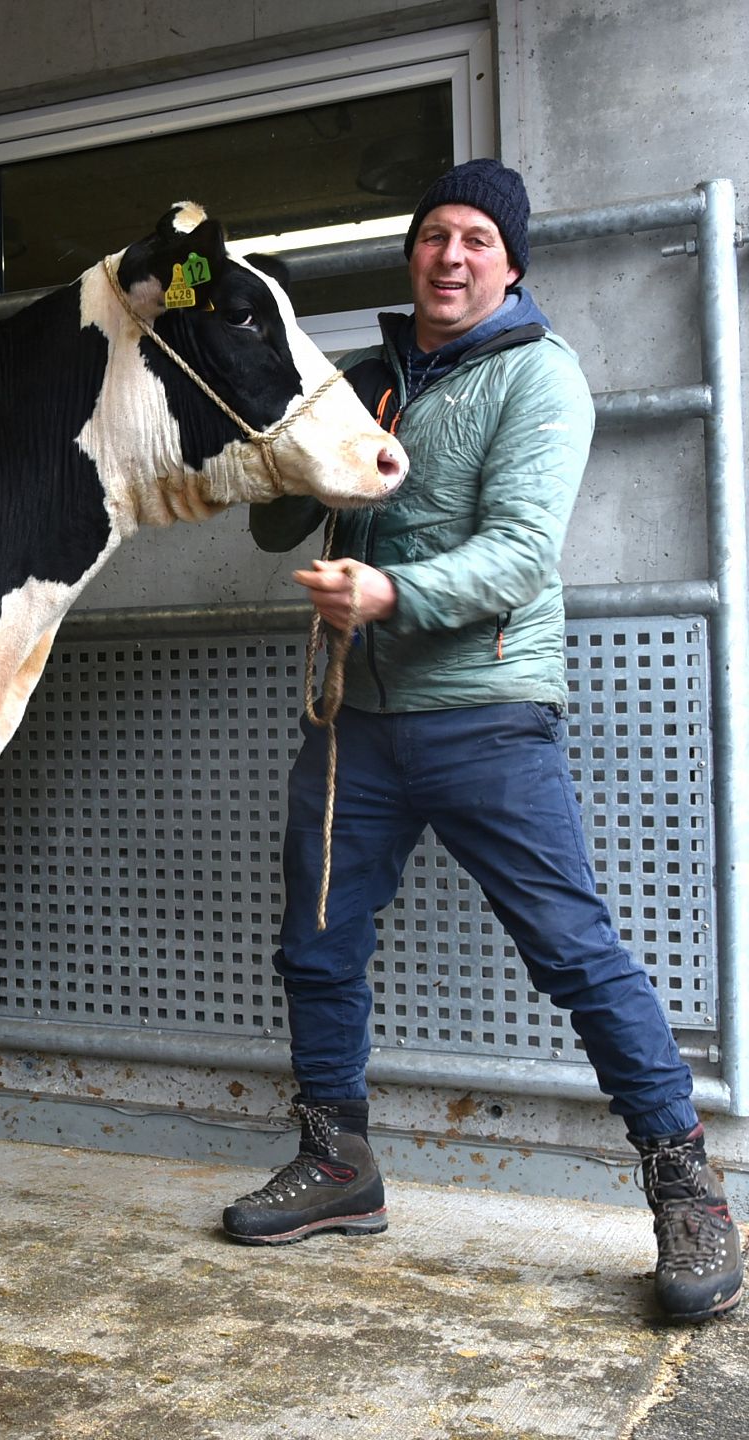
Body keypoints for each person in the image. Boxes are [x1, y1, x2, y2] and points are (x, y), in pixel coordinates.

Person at [221, 158, 742, 1323]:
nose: (449, 256)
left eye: (474, 239)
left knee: (575, 952)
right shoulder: (370, 380)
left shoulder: (541, 379)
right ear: (411, 256)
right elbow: (270, 524)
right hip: (355, 721)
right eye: (432, 237)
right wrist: (286, 437)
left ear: (510, 263)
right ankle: (339, 1163)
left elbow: (519, 554)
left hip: (486, 713)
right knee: (315, 944)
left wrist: (390, 594)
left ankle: (688, 1187)